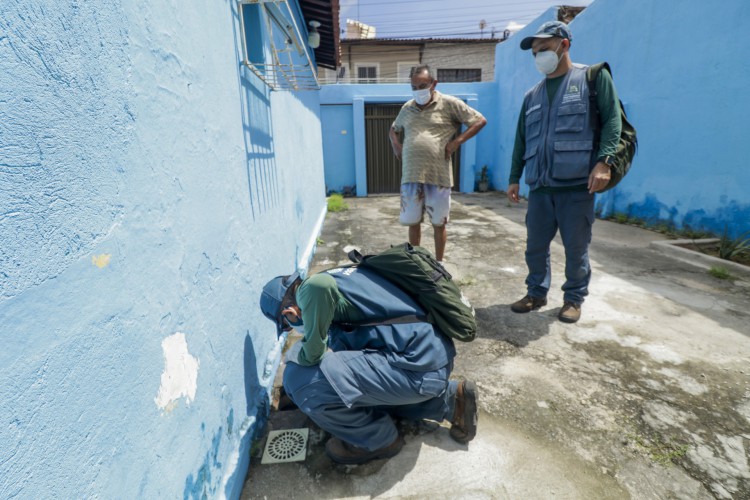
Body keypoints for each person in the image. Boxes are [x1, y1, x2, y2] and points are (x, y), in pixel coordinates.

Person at [260, 265, 479, 465]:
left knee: (299, 380)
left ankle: (379, 439)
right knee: (345, 385)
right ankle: (451, 401)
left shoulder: (315, 288)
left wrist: (300, 359)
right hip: (429, 356)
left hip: (418, 367)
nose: (293, 330)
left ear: (289, 313)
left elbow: (320, 352)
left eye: (288, 327)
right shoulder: (340, 276)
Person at [507, 21, 622, 324]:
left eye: (543, 49)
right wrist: (513, 178)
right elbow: (522, 138)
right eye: (534, 53)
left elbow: (612, 121)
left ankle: (573, 299)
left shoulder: (592, 78)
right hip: (540, 187)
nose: (538, 57)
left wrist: (604, 162)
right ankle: (536, 292)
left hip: (575, 186)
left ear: (564, 45)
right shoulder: (532, 95)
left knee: (576, 248)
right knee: (535, 247)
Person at [389, 65, 487, 263]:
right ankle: (416, 264)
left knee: (439, 223)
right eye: (414, 87)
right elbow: (393, 129)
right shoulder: (407, 108)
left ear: (434, 84)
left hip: (438, 175)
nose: (418, 91)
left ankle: (440, 264)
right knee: (412, 222)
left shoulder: (449, 103)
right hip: (411, 174)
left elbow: (479, 121)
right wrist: (396, 146)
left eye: (422, 85)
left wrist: (457, 142)